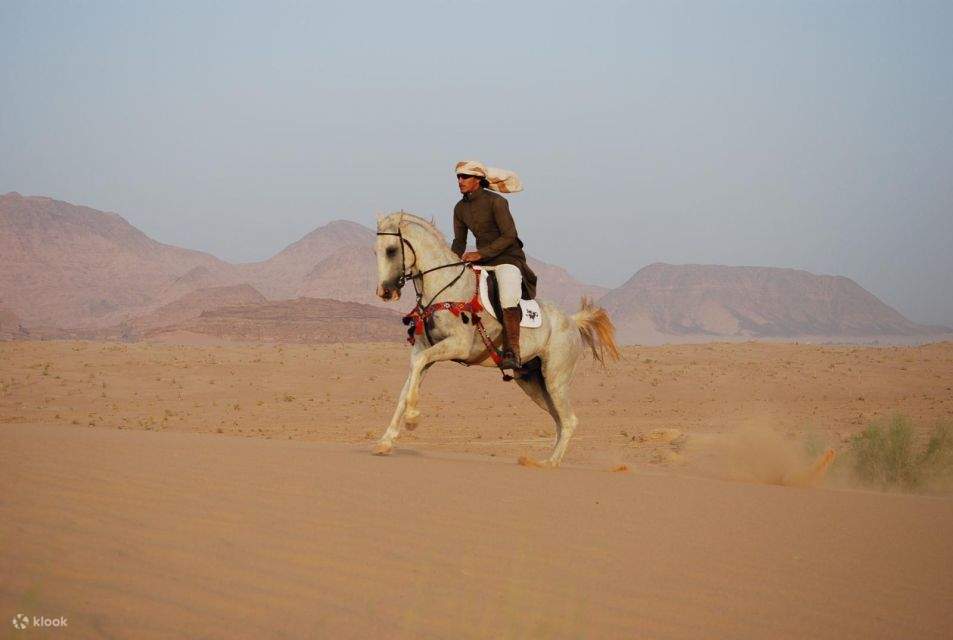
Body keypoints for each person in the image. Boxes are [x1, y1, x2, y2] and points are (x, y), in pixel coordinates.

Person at [450, 160, 537, 370]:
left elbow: (510, 236)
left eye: (465, 177)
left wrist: (480, 253)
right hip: (483, 262)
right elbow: (459, 242)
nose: (460, 181)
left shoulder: (497, 202)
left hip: (508, 259)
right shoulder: (460, 208)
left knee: (508, 297)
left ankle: (512, 351)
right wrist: (451, 263)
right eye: (458, 177)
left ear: (478, 180)